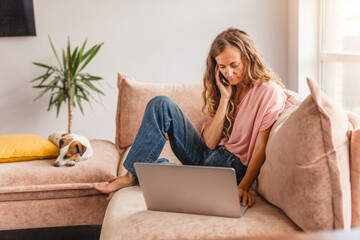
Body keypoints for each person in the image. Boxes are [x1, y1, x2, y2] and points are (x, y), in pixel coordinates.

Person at [94, 28, 286, 207]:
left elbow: (260, 148)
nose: (229, 73)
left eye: (234, 65)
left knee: (154, 175)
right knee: (161, 104)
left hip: (228, 169)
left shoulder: (269, 91)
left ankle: (144, 173)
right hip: (210, 155)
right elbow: (209, 143)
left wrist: (243, 186)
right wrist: (225, 99)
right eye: (222, 67)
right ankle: (132, 175)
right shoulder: (227, 89)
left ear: (248, 58)